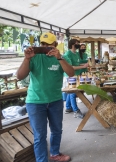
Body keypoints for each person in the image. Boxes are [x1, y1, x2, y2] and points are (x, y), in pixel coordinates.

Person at [16, 32, 74, 162]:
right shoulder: (34, 57)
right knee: (40, 135)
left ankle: (55, 153)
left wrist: (59, 58)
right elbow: (19, 76)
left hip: (55, 100)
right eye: (43, 44)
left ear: (55, 45)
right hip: (35, 102)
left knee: (57, 130)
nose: (45, 47)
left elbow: (71, 73)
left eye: (49, 45)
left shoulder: (62, 57)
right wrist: (27, 58)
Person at [63, 39, 88, 119]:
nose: (79, 45)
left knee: (71, 92)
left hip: (76, 75)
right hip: (70, 76)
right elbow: (71, 67)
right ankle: (76, 111)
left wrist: (84, 64)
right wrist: (83, 66)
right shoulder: (67, 54)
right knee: (73, 93)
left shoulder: (76, 54)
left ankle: (68, 107)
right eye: (77, 43)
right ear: (72, 44)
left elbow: (77, 63)